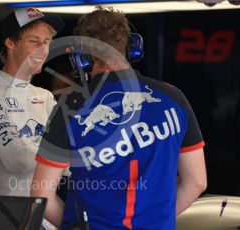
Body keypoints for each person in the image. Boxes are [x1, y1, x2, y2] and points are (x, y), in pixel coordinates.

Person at [31, 7, 207, 229]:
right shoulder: (174, 98)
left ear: (82, 57)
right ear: (131, 48)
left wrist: (75, 226)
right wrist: (157, 220)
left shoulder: (70, 107)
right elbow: (197, 182)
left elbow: (41, 192)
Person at [0, 8, 63, 199]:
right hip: (10, 217)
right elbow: (18, 161)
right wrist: (62, 156)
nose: (42, 50)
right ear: (10, 43)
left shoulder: (45, 96)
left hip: (48, 217)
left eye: (46, 42)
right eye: (33, 41)